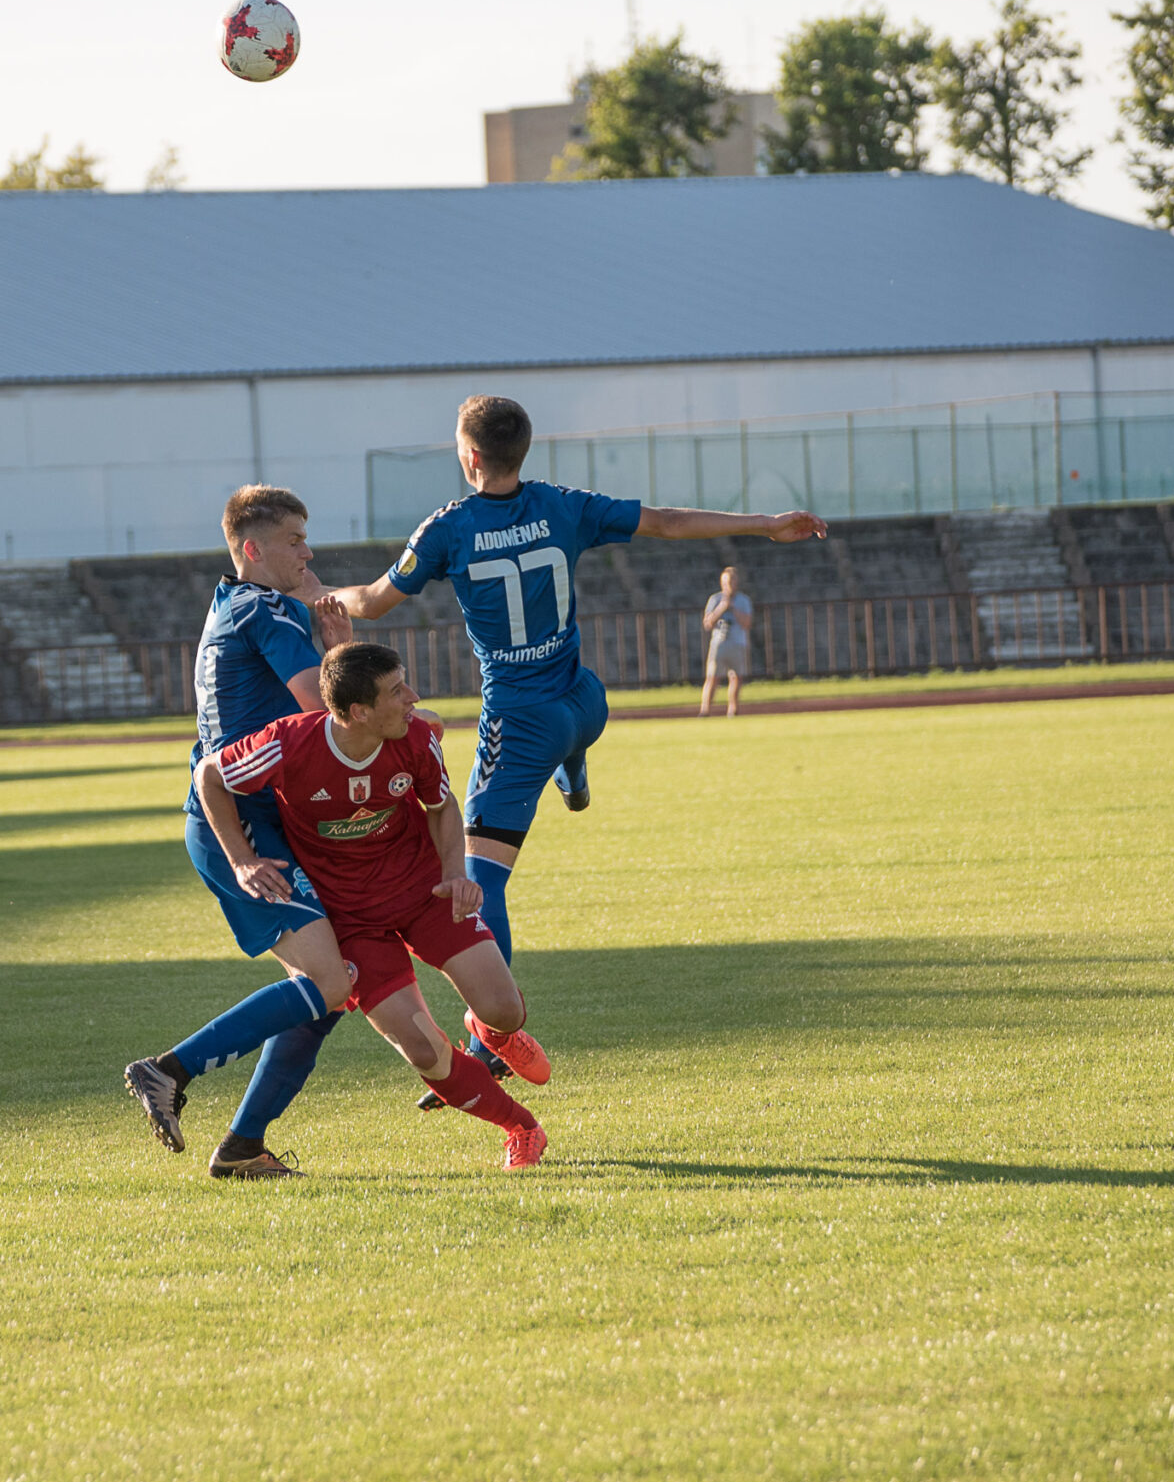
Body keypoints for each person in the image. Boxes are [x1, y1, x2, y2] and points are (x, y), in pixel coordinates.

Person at [329, 394, 826, 1102]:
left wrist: (326, 595)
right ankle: (575, 764)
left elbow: (376, 600)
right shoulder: (564, 505)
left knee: (477, 884)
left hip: (520, 724)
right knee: (571, 730)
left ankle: (488, 1043)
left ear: (470, 456)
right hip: (586, 701)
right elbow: (667, 521)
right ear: (522, 450)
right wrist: (765, 524)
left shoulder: (449, 527)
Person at [198, 642, 550, 1170]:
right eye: (396, 690)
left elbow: (441, 805)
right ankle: (521, 1128)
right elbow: (209, 776)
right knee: (425, 1051)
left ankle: (493, 1031)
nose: (413, 698)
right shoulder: (286, 743)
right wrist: (241, 859)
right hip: (353, 923)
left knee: (504, 1007)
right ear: (360, 711)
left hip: (425, 893)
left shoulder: (415, 738)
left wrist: (455, 872)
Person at [123, 485, 359, 1180]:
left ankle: (244, 1147)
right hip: (237, 823)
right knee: (330, 980)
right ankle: (169, 1069)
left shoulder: (240, 600)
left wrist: (320, 617)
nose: (308, 552)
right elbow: (325, 707)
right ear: (252, 549)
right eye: (295, 540)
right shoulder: (263, 608)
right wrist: (342, 648)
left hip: (254, 816)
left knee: (328, 990)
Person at [700, 565, 754, 718]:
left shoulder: (743, 600)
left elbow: (747, 623)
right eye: (726, 582)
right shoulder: (715, 599)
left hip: (738, 643)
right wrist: (722, 608)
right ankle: (705, 710)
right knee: (712, 677)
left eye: (731, 582)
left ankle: (733, 709)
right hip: (719, 644)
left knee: (736, 677)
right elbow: (708, 624)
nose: (729, 585)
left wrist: (734, 608)